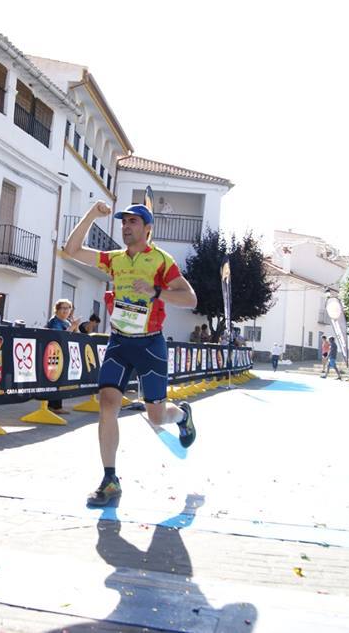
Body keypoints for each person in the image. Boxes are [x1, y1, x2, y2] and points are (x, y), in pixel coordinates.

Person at [63, 200, 198, 506]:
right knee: (108, 402)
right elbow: (71, 250)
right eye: (123, 222)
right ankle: (110, 480)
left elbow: (190, 299)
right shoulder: (114, 260)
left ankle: (181, 415)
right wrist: (91, 215)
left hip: (151, 345)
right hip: (120, 343)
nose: (126, 226)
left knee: (157, 415)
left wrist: (156, 292)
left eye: (133, 222)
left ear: (147, 229)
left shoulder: (162, 261)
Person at [47, 299, 80, 413]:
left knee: (60, 380)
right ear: (57, 309)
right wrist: (73, 326)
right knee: (55, 379)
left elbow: (77, 336)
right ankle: (54, 406)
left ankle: (57, 406)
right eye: (63, 308)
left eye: (68, 308)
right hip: (54, 354)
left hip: (64, 354)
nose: (66, 311)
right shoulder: (55, 321)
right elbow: (59, 337)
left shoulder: (66, 322)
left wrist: (75, 326)